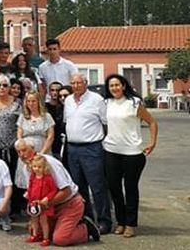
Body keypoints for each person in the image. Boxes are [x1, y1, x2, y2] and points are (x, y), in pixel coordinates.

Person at [103, 74, 158, 238]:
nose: (114, 88)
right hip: (111, 150)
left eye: (117, 85)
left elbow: (152, 122)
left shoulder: (134, 103)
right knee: (114, 188)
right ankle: (120, 222)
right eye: (111, 86)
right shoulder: (106, 103)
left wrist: (152, 142)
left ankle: (130, 224)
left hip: (132, 153)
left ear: (124, 86)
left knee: (130, 188)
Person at [15, 139, 100, 245]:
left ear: (33, 149)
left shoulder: (49, 162)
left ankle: (86, 228)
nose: (21, 155)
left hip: (68, 203)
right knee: (36, 232)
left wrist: (45, 205)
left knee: (60, 239)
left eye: (24, 150)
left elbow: (66, 191)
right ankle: (62, 226)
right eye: (18, 152)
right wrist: (34, 213)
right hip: (50, 207)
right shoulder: (26, 168)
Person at [64, 73, 110, 234]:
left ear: (86, 83)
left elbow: (106, 123)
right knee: (78, 186)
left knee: (97, 186)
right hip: (73, 148)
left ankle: (104, 220)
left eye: (79, 83)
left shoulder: (96, 100)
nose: (76, 86)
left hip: (92, 148)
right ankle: (86, 218)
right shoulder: (68, 100)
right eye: (73, 83)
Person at [15, 91, 55, 193]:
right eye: (28, 101)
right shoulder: (22, 117)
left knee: (43, 179)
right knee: (28, 179)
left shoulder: (46, 116)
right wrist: (22, 151)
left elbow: (50, 136)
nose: (31, 103)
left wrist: (41, 154)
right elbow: (19, 135)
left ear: (38, 102)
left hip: (42, 149)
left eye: (33, 101)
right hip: (26, 152)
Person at [25, 154, 58, 246]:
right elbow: (30, 187)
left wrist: (47, 198)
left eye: (39, 167)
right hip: (33, 203)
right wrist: (29, 196)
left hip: (43, 204)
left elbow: (53, 190)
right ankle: (35, 235)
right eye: (35, 166)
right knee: (34, 220)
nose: (37, 169)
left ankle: (46, 237)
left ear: (44, 167)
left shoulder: (48, 178)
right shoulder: (32, 177)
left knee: (44, 221)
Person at [45, 81, 65, 157]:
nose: (55, 93)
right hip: (48, 142)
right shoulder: (44, 107)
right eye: (52, 90)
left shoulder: (65, 107)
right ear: (49, 92)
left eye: (57, 90)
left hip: (61, 142)